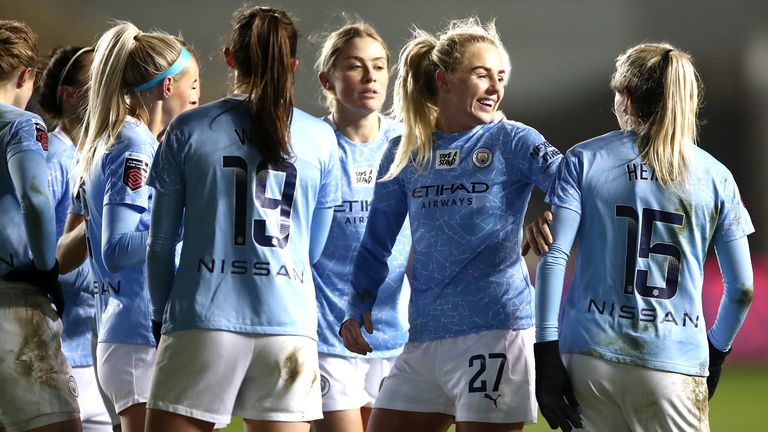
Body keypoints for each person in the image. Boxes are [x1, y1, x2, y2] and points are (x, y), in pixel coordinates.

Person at [340, 17, 562, 432]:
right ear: (444, 79)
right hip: (424, 335)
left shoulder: (513, 140)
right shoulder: (405, 151)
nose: (495, 87)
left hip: (495, 329)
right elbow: (376, 242)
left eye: (500, 77)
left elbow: (575, 187)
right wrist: (358, 303)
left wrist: (550, 216)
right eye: (482, 75)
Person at [533, 42, 754, 432]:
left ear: (627, 98)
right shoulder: (715, 177)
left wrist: (545, 351)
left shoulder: (584, 159)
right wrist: (717, 352)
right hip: (672, 362)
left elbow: (553, 258)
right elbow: (742, 288)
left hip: (588, 357)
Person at [144, 5, 341, 432]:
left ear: (231, 57)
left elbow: (159, 246)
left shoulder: (190, 128)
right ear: (293, 65)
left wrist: (160, 316)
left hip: (205, 317)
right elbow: (314, 250)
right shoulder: (321, 138)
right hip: (289, 327)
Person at [73, 21, 200, 432]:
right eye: (193, 84)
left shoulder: (131, 139)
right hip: (135, 332)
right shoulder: (134, 145)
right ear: (167, 88)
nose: (198, 96)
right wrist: (189, 224)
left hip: (135, 329)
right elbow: (118, 247)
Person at [311, 21, 411, 432]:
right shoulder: (313, 145)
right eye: (355, 66)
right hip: (328, 332)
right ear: (327, 80)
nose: (370, 77)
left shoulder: (409, 144)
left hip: (397, 332)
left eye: (379, 66)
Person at [0, 19, 83, 432]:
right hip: (12, 300)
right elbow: (34, 197)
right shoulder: (20, 124)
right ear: (27, 74)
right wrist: (48, 269)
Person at [38, 45, 118, 432]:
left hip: (92, 352)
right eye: (97, 82)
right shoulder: (50, 161)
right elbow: (38, 261)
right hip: (57, 353)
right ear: (69, 95)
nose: (110, 91)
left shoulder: (100, 157)